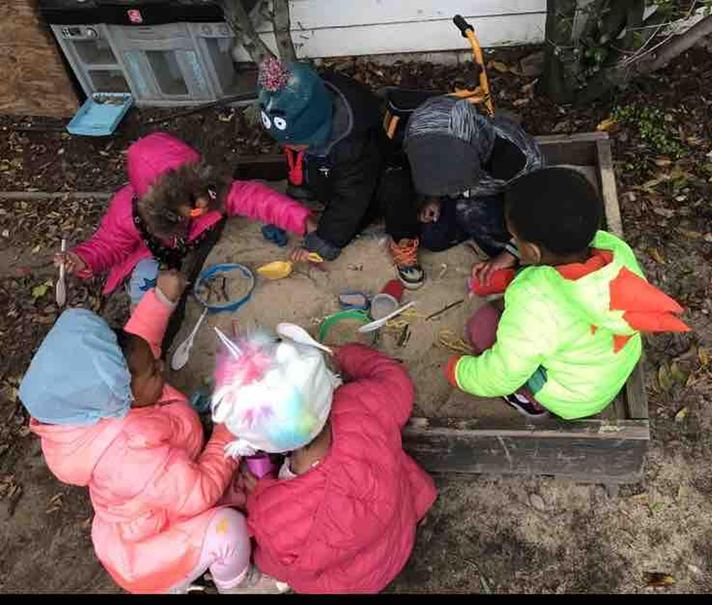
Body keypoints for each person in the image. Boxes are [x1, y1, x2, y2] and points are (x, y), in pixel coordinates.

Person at [18, 271, 278, 593]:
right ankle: (235, 582)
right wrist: (224, 435)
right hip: (154, 546)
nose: (162, 366)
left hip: (159, 498)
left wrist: (162, 299)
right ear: (121, 393)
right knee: (230, 531)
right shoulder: (128, 454)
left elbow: (140, 343)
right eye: (154, 371)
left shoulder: (105, 394)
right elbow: (198, 493)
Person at [444, 167, 690, 419]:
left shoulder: (536, 304)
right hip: (610, 368)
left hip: (570, 398)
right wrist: (510, 276)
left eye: (514, 238)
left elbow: (501, 373)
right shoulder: (613, 249)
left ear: (532, 251)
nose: (513, 242)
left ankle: (528, 400)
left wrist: (459, 372)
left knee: (481, 328)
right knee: (511, 316)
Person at [211, 331, 437, 593]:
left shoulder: (272, 512)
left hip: (353, 584)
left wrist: (259, 493)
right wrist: (345, 353)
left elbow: (274, 564)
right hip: (399, 534)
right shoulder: (362, 403)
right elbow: (395, 380)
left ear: (260, 444)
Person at [55, 132, 314, 344]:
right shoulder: (128, 214)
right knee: (144, 285)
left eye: (202, 190)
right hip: (152, 260)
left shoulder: (208, 195)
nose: (203, 200)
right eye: (191, 201)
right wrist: (82, 258)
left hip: (187, 249)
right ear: (163, 208)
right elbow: (108, 245)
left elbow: (255, 198)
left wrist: (302, 220)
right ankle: (146, 338)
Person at [256, 59, 424, 289]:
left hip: (375, 176)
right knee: (333, 214)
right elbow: (297, 166)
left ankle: (402, 240)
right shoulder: (308, 100)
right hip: (340, 175)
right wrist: (290, 212)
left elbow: (350, 197)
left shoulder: (352, 141)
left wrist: (321, 243)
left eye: (299, 144)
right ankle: (331, 222)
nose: (295, 149)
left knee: (394, 187)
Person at [399, 95, 544, 284]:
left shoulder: (516, 157)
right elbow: (433, 168)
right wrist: (434, 196)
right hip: (466, 196)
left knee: (470, 213)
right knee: (432, 238)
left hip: (505, 201)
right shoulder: (423, 145)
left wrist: (509, 254)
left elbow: (537, 210)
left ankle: (507, 251)